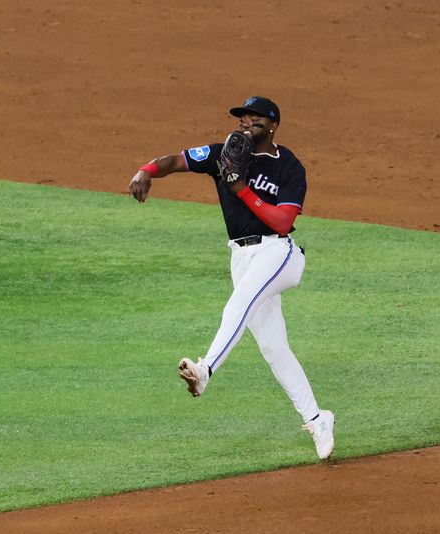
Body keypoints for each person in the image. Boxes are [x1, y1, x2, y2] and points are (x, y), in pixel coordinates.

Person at [127, 96, 335, 460]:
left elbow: (283, 221)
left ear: (273, 125)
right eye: (242, 119)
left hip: (279, 253)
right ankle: (318, 419)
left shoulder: (289, 166)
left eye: (255, 119)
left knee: (240, 303)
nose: (245, 124)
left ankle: (206, 368)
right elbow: (176, 160)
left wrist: (241, 190)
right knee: (274, 348)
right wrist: (146, 170)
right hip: (241, 257)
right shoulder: (223, 153)